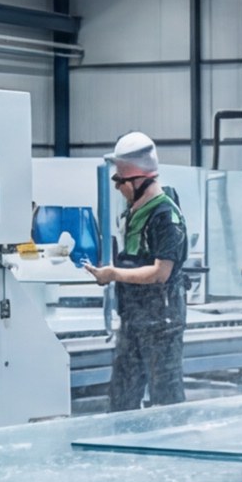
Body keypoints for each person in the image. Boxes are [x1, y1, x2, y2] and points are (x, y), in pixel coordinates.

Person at [88, 131, 189, 411]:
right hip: (135, 319)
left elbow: (160, 273)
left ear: (139, 180)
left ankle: (173, 450)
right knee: (122, 396)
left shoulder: (166, 216)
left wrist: (113, 275)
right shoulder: (134, 211)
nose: (118, 187)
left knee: (166, 398)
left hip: (161, 322)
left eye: (120, 181)